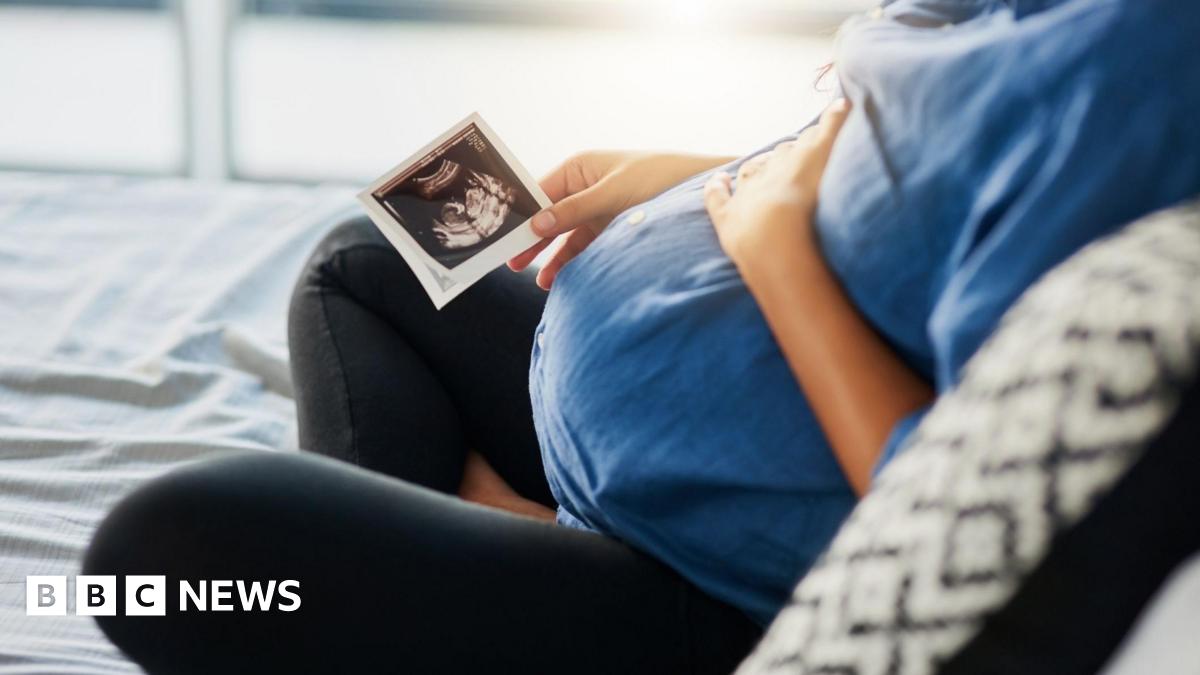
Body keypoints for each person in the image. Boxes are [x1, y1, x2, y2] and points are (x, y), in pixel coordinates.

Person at [85, 0, 1199, 672]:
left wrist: (776, 244)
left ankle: (508, 576)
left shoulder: (1145, 70)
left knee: (165, 556)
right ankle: (500, 552)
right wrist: (710, 175)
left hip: (723, 583)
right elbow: (915, 166)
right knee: (366, 264)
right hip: (648, 437)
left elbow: (952, 509)